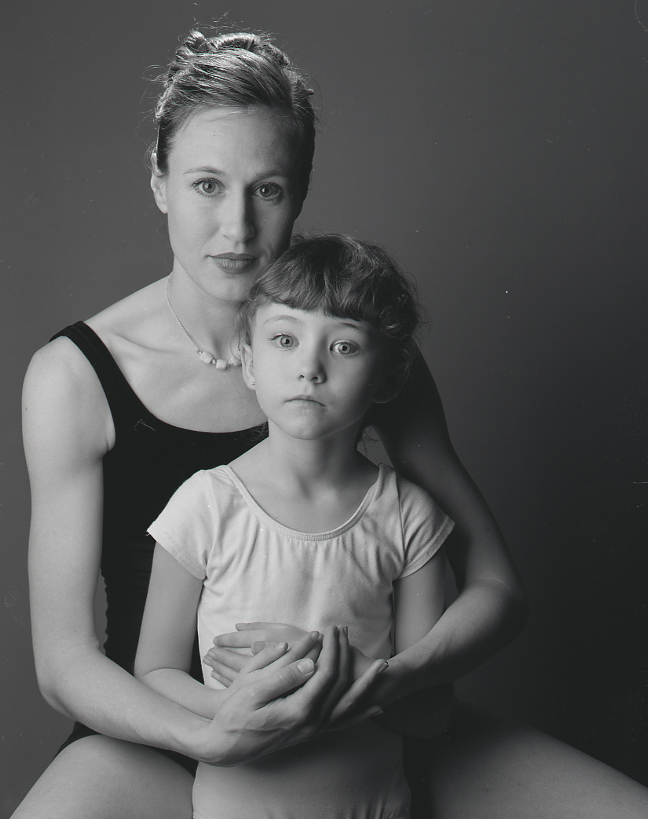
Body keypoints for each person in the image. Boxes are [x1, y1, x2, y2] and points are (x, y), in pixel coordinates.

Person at [15, 27, 647, 819]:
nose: (237, 227)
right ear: (159, 182)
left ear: (301, 190)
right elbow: (64, 662)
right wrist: (214, 734)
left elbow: (497, 589)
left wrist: (384, 682)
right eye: (207, 184)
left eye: (268, 190)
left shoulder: (360, 356)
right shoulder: (74, 376)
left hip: (365, 729)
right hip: (163, 731)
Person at [135, 234, 455, 819]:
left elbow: (429, 715)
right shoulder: (205, 505)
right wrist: (246, 706)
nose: (310, 367)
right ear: (250, 362)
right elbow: (155, 673)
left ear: (387, 378)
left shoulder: (409, 516)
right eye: (285, 340)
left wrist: (334, 671)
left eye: (344, 346)